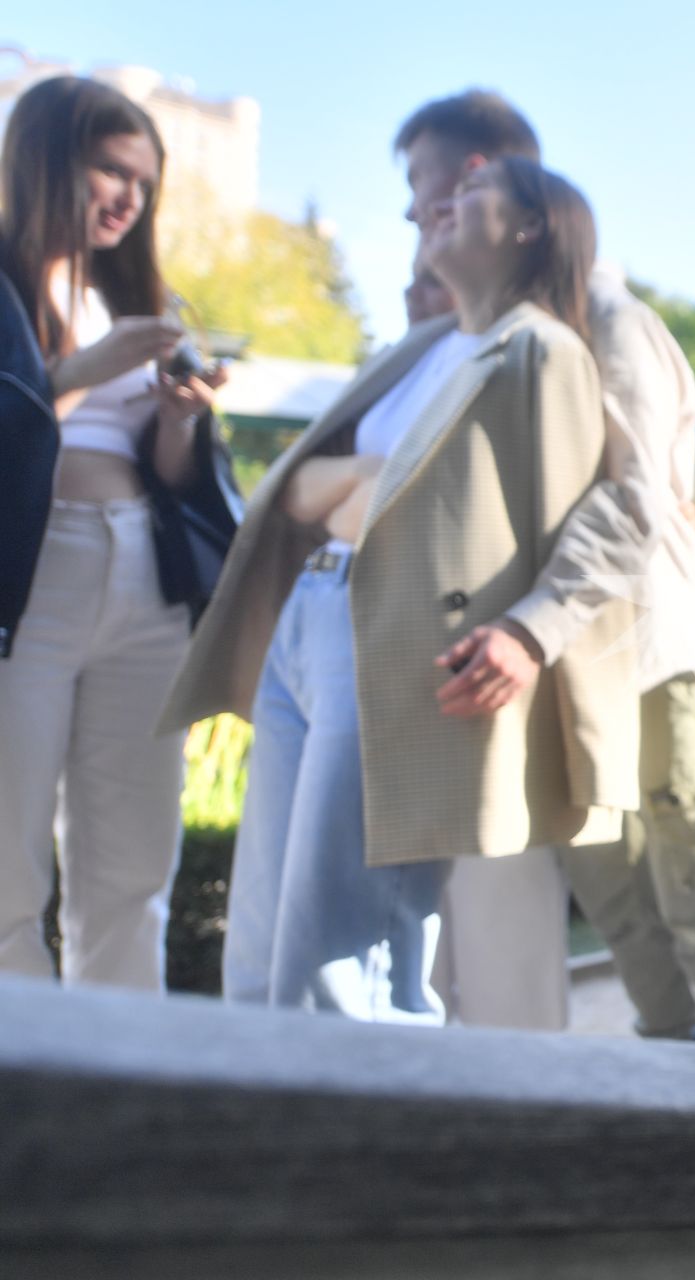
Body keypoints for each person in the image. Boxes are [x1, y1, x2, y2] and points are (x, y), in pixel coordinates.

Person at [160, 157, 638, 1021]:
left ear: (531, 227)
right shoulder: (419, 346)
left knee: (344, 948)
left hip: (404, 644)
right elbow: (301, 497)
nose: (446, 203)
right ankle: (260, 1128)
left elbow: (586, 519)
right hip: (307, 619)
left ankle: (357, 1148)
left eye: (475, 192)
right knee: (264, 934)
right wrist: (370, 482)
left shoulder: (544, 348)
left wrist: (531, 630)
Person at [392, 91, 695, 1037]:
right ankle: (678, 1106)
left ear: (492, 194)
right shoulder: (500, 334)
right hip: (570, 669)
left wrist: (527, 626)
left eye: (432, 189)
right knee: (621, 907)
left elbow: (633, 501)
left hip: (653, 657)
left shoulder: (613, 321)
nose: (419, 212)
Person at [0, 77, 230, 989]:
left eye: (144, 180)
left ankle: (124, 1090)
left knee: (134, 864)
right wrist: (79, 372)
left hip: (143, 572)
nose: (128, 197)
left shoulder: (145, 295)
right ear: (48, 161)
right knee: (9, 864)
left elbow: (177, 478)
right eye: (108, 168)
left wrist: (181, 416)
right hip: (30, 570)